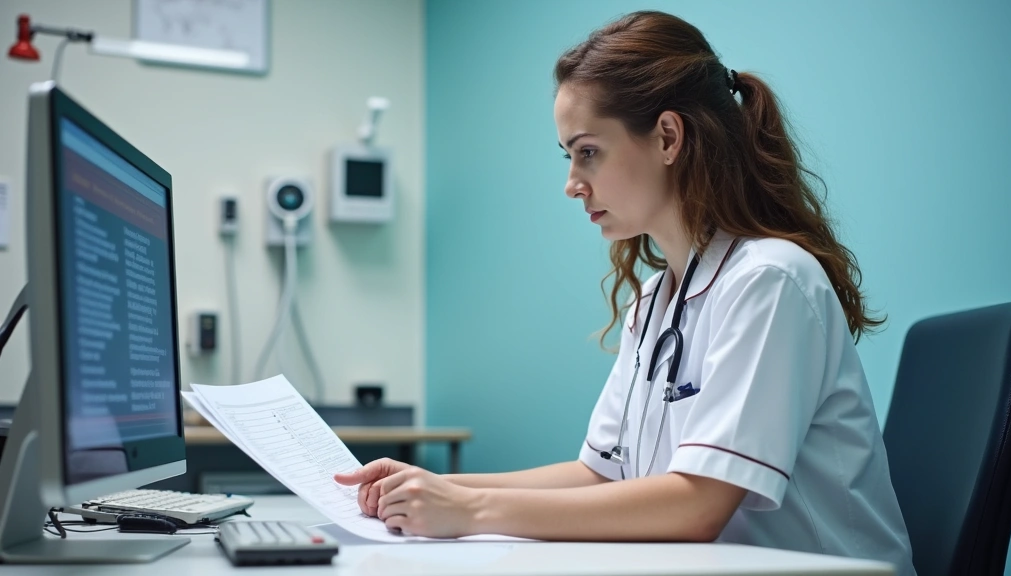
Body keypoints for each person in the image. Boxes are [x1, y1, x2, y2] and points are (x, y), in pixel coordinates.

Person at [335, 10, 915, 574]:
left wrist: (470, 510)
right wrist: (428, 486)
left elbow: (697, 506)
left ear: (667, 136)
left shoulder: (769, 280)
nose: (571, 184)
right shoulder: (655, 300)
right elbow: (601, 474)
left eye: (588, 151)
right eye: (568, 157)